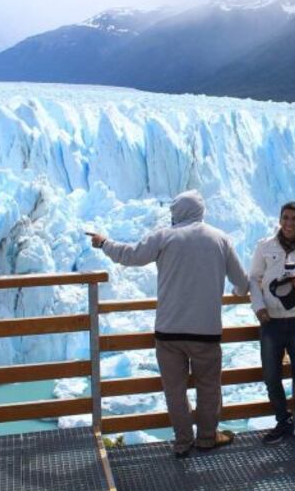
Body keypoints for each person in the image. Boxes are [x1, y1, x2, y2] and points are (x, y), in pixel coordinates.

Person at [90, 190, 249, 458]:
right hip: (206, 332)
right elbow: (242, 283)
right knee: (208, 388)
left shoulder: (164, 236)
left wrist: (104, 243)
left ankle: (183, 442)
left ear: (177, 212)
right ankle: (208, 438)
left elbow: (131, 256)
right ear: (201, 210)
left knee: (175, 391)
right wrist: (234, 294)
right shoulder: (220, 239)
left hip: (168, 332)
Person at [247, 201, 295, 445]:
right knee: (271, 375)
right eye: (285, 217)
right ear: (280, 219)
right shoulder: (265, 246)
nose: (289, 223)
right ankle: (283, 422)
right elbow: (253, 279)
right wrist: (259, 308)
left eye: (294, 219)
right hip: (271, 320)